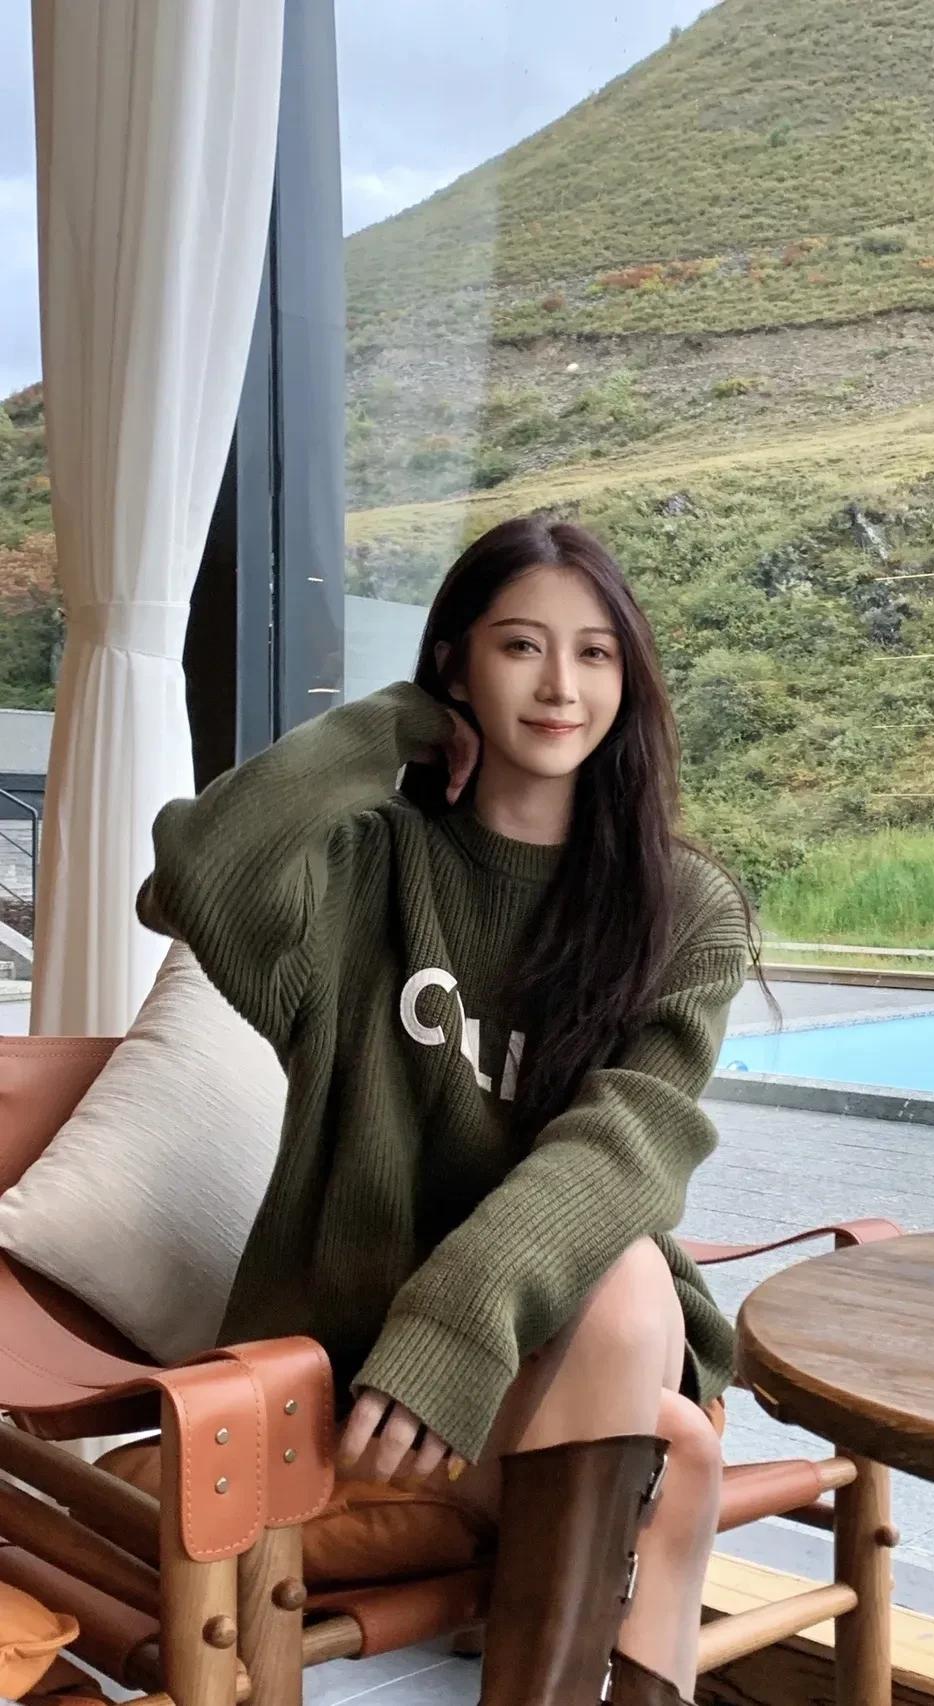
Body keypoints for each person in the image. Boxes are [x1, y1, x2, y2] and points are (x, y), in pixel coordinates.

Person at [136, 514, 766, 1705]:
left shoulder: (681, 906)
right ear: (455, 665)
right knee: (666, 1436)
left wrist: (461, 1317)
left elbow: (629, 1141)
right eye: (520, 645)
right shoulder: (367, 870)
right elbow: (198, 870)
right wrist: (393, 725)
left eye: (594, 653)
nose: (560, 684)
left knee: (628, 1275)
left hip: (565, 1326)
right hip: (361, 1344)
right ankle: (643, 1526)